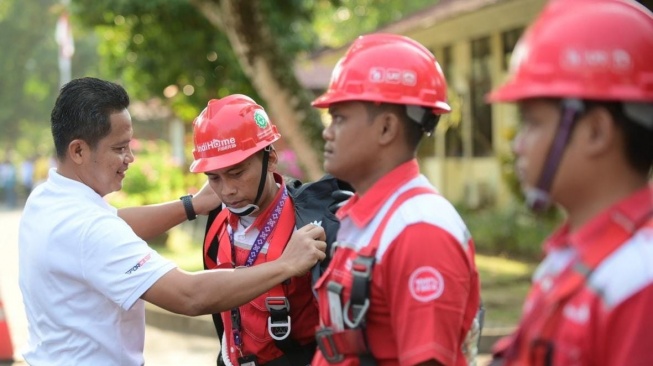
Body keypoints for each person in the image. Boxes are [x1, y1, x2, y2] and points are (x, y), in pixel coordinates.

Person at [18, 77, 327, 366]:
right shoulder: (86, 228)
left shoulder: (47, 200)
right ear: (79, 150)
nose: (130, 158)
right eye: (119, 148)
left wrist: (192, 205)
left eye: (236, 172)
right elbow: (189, 295)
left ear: (269, 158)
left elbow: (113, 224)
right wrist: (286, 264)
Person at [486, 1, 653, 365]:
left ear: (596, 132)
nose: (518, 144)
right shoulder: (567, 258)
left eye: (533, 122)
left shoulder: (640, 281)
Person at [310, 33, 481, 366]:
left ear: (386, 129)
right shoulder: (368, 217)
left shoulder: (419, 231)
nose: (327, 132)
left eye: (340, 118)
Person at [191, 94, 351, 366]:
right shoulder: (216, 219)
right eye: (214, 178)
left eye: (237, 172)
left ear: (271, 159)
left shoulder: (313, 223)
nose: (227, 190)